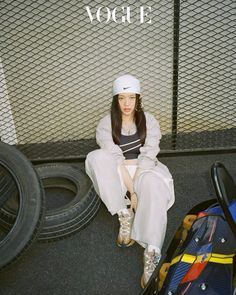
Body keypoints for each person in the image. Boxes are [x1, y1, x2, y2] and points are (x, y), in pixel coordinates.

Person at [85, 74, 175, 288]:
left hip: (144, 168)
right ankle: (125, 215)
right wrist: (133, 192)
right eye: (121, 98)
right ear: (115, 99)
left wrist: (138, 185)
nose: (127, 104)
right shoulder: (106, 123)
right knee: (95, 157)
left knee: (152, 185)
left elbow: (149, 154)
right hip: (119, 169)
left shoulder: (149, 120)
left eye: (131, 98)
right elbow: (114, 157)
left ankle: (152, 250)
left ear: (138, 98)